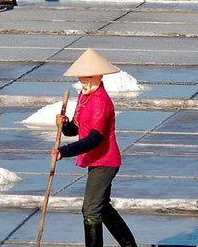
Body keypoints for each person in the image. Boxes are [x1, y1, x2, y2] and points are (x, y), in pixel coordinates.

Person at [53, 48, 137, 247]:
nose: (83, 81)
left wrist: (64, 151)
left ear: (98, 77)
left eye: (87, 77)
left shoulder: (101, 102)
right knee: (102, 207)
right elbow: (76, 128)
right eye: (81, 77)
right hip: (95, 159)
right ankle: (129, 245)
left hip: (105, 161)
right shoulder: (84, 97)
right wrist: (64, 125)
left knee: (90, 209)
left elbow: (94, 139)